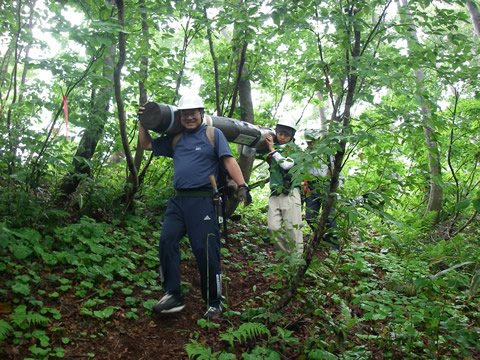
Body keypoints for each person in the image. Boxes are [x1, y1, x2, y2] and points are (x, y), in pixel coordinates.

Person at [138, 93, 251, 319]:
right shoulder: (176, 139)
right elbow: (147, 144)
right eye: (185, 114)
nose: (189, 117)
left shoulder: (212, 134)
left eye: (193, 113)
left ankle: (214, 300)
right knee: (166, 241)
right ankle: (172, 294)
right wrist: (144, 122)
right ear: (179, 116)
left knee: (205, 249)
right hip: (178, 201)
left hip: (203, 200)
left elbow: (228, 160)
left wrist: (242, 185)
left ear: (201, 113)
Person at [264, 116, 303, 254]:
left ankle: (296, 261)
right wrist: (258, 133)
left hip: (291, 192)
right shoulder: (274, 148)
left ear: (292, 136)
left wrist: (272, 149)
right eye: (280, 133)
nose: (282, 137)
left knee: (293, 229)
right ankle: (286, 256)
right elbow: (248, 150)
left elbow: (286, 165)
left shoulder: (295, 150)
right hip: (275, 192)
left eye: (286, 135)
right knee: (273, 228)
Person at [303, 128, 340, 250]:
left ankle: (334, 246)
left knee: (329, 217)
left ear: (319, 139)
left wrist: (337, 188)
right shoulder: (305, 154)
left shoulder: (327, 152)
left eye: (313, 141)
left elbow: (335, 170)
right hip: (311, 187)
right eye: (309, 142)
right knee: (310, 216)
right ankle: (322, 238)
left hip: (325, 185)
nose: (311, 144)